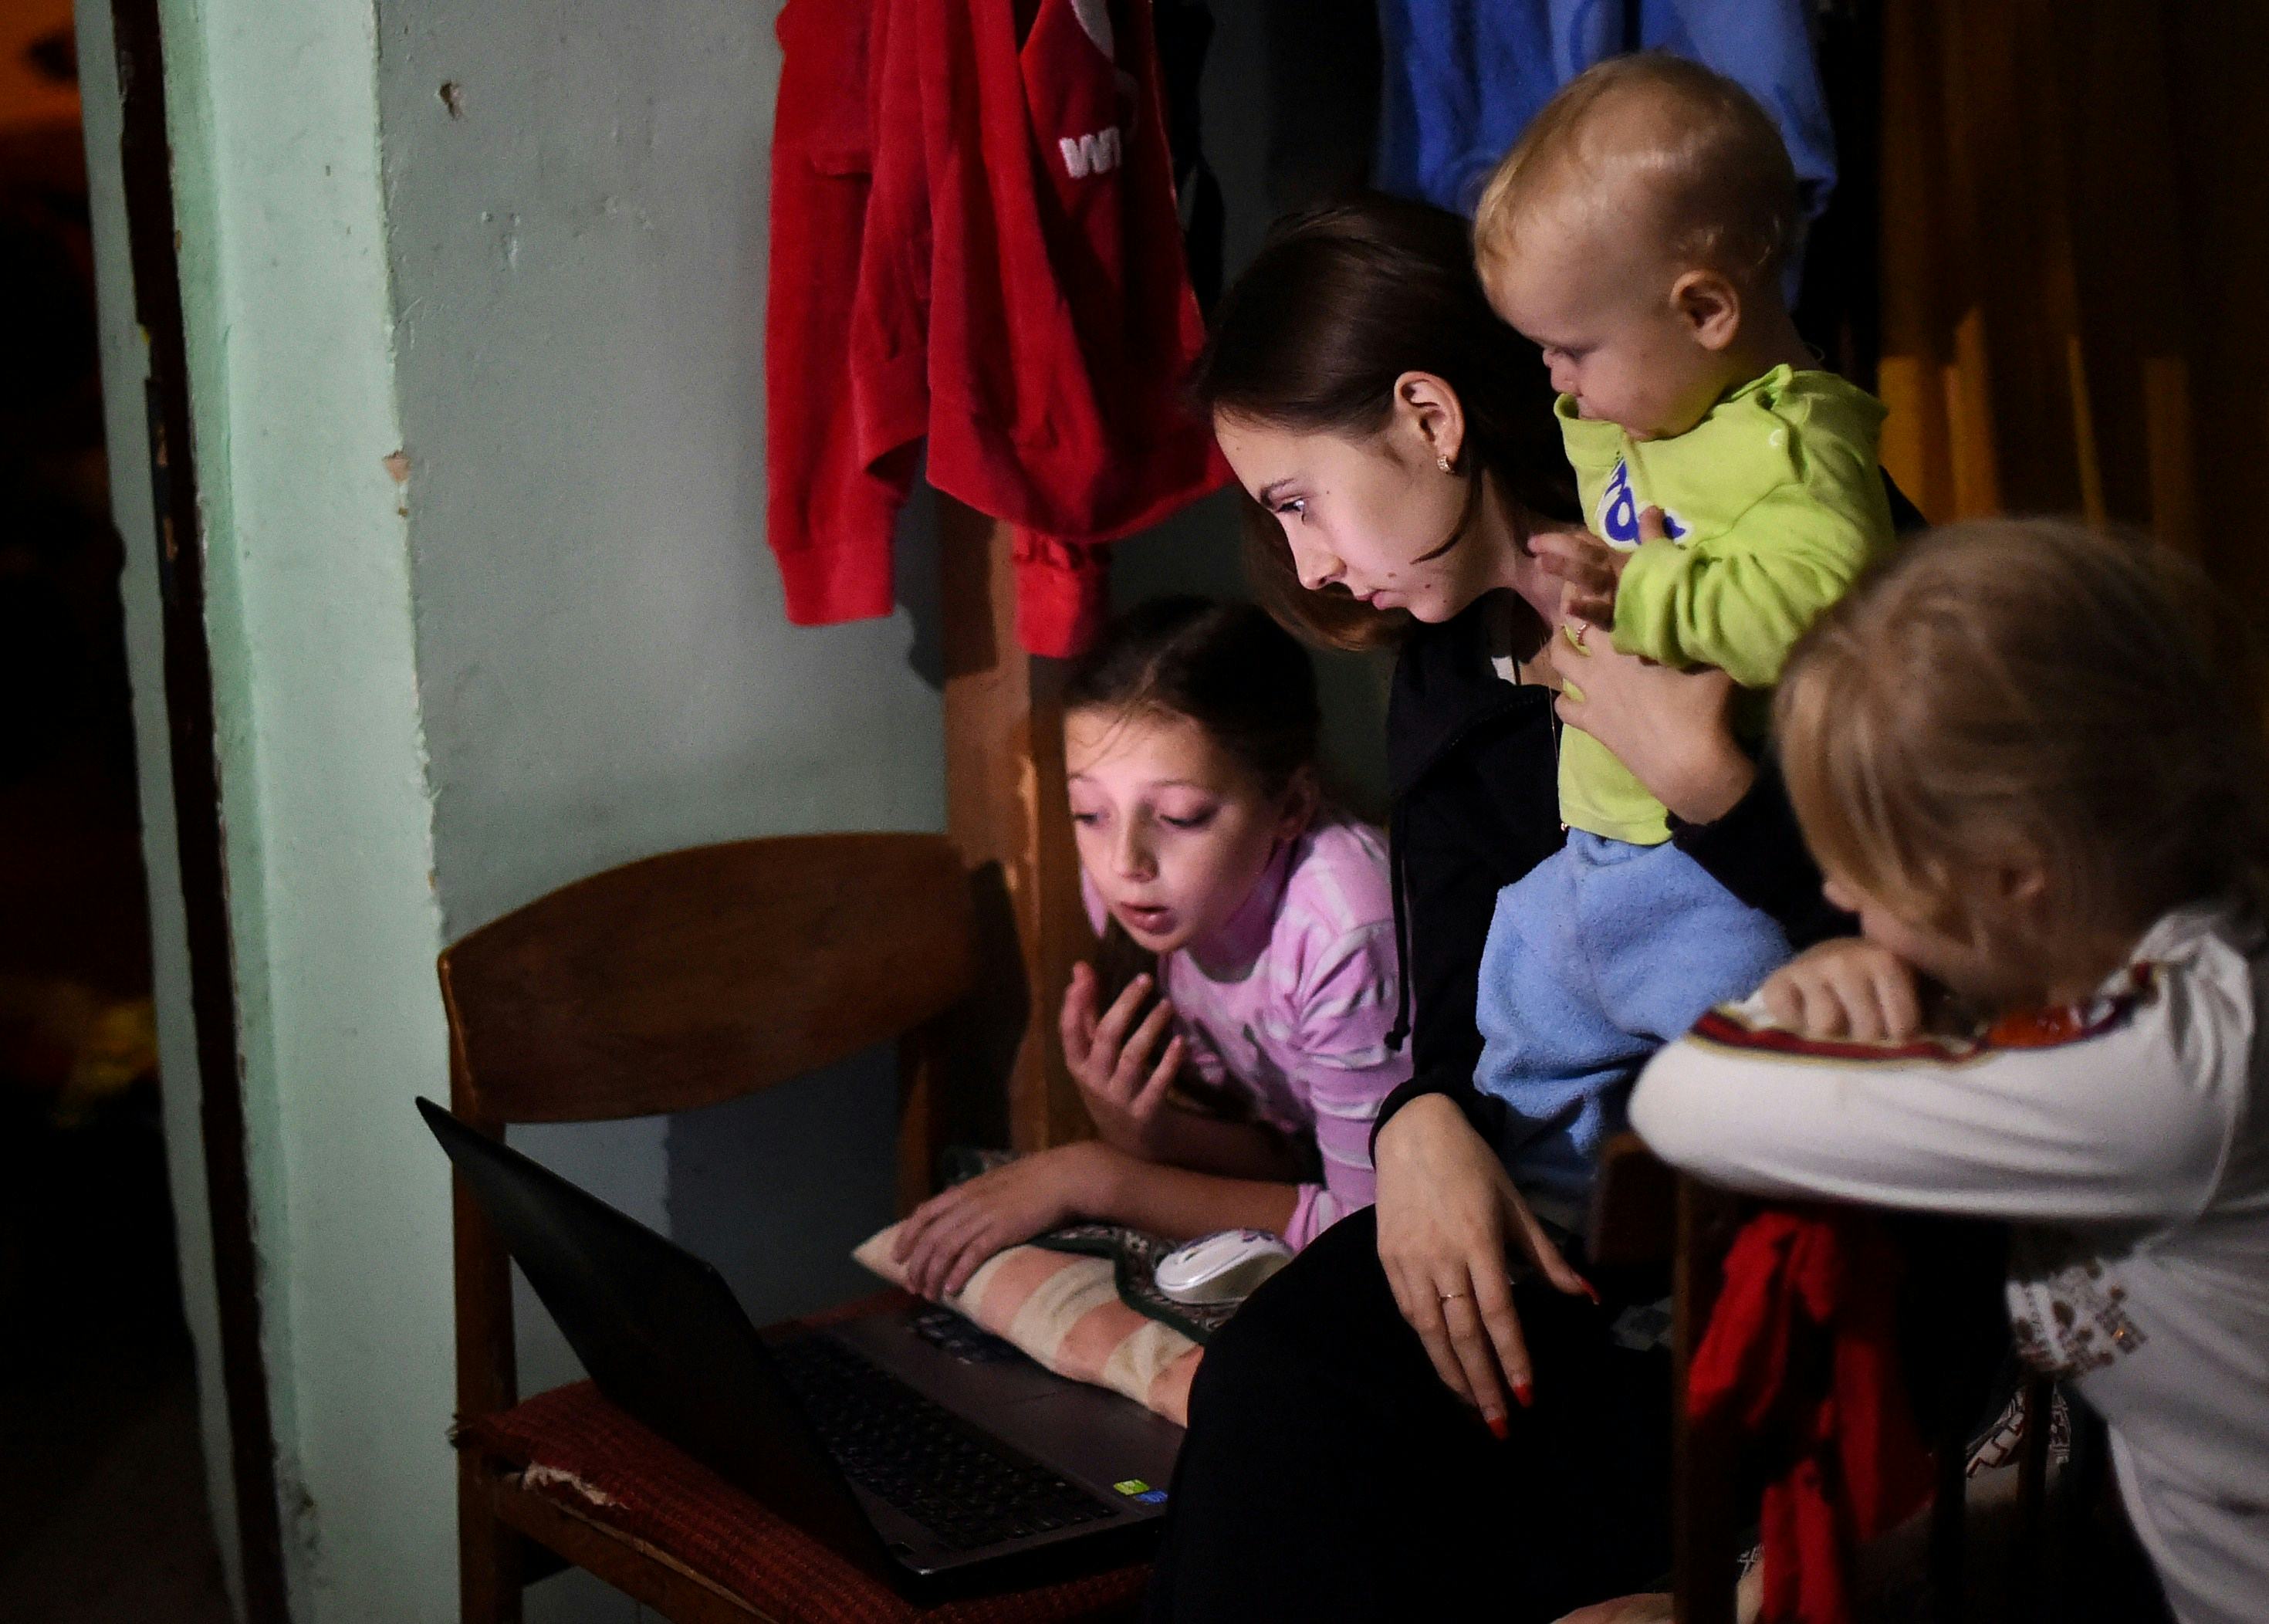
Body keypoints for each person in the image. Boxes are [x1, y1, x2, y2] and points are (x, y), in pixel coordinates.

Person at [1143, 195, 1919, 1620]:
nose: (1307, 565)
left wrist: (1710, 782)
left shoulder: (1773, 555)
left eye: (1299, 500)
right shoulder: (1448, 663)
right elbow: (1458, 994)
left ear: (1430, 417)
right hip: (1568, 1215)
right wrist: (1419, 1117)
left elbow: (1955, 940)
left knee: (1344, 1454)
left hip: (1801, 1226)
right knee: (1278, 1385)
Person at [1627, 519, 2269, 1624]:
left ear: (2013, 876)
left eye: (1862, 873)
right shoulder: (2179, 965)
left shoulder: (2166, 1071)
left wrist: (1785, 1000)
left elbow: (1680, 1099)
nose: (1841, 902)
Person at [1454, 54, 1896, 1204]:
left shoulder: (1794, 444)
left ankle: (1711, 1264)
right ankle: (1570, 1241)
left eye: (1573, 348)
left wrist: (1640, 594)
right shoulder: (1657, 409)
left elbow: (1812, 600)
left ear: (1706, 311)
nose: (1556, 379)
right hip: (1590, 855)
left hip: (1715, 883)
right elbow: (1600, 440)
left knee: (1751, 1120)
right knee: (1520, 1065)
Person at [894, 596, 1410, 1300]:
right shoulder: (1138, 892)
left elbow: (1379, 1228)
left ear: (1290, 805)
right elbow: (1296, 1154)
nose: (1124, 862)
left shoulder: (1347, 935)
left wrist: (1099, 1178)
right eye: (1089, 812)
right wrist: (1156, 1136)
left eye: (1180, 816)